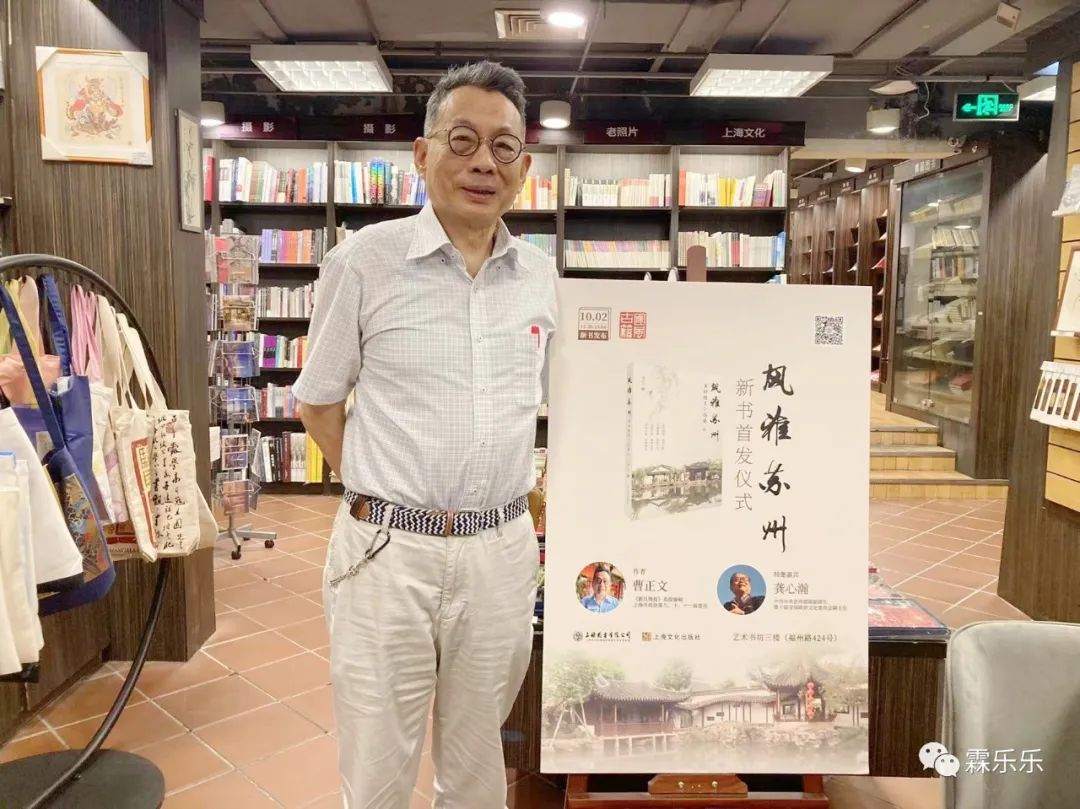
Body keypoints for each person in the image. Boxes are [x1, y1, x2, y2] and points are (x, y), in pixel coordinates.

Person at [294, 61, 558, 809]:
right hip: (387, 552)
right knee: (378, 766)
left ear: (524, 169)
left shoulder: (541, 278)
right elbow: (317, 403)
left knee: (477, 762)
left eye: (504, 147)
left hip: (500, 554)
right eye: (462, 140)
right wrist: (378, 488)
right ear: (422, 153)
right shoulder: (363, 262)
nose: (484, 163)